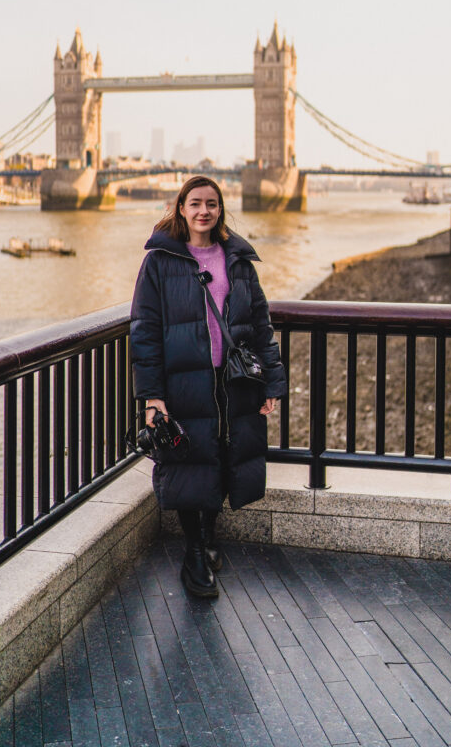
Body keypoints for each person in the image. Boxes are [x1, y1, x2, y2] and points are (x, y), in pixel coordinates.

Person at [130, 175, 286, 598]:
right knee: (187, 460)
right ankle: (194, 552)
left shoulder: (236, 259)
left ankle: (211, 538)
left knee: (220, 457)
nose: (204, 211)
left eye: (212, 204)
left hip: (231, 380)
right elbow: (144, 333)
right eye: (195, 203)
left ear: (220, 210)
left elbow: (260, 327)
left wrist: (272, 382)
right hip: (183, 380)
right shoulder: (160, 261)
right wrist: (152, 396)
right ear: (181, 208)